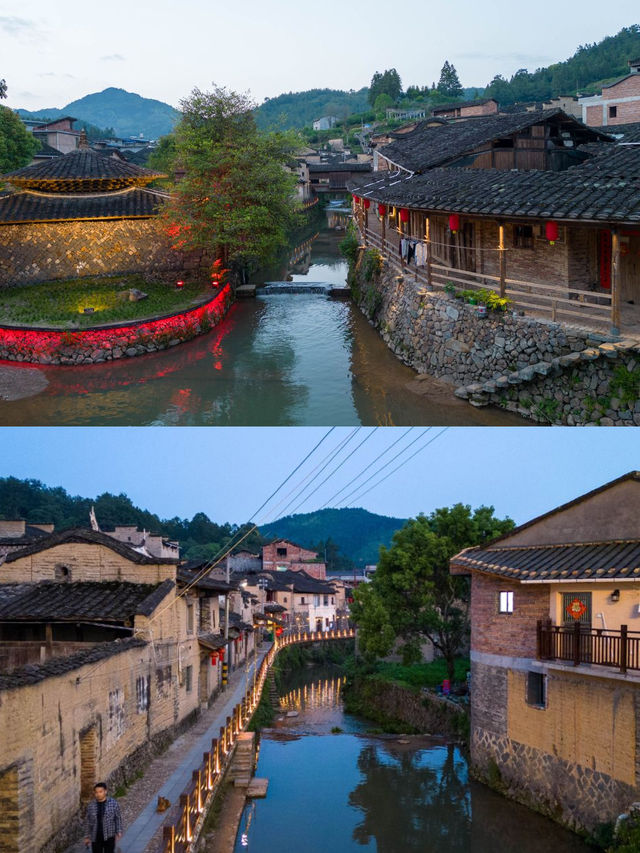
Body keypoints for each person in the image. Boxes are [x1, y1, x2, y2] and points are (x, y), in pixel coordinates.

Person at [83, 782, 123, 853]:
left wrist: (118, 831)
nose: (98, 794)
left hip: (109, 835)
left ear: (105, 791)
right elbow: (87, 822)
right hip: (96, 836)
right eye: (96, 792)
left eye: (100, 792)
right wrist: (86, 836)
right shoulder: (91, 806)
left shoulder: (113, 803)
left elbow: (118, 818)